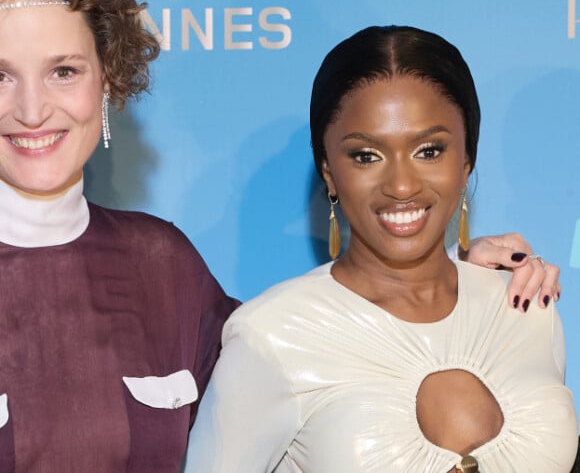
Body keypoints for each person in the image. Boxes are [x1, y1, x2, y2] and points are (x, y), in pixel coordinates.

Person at [186, 25, 578, 472]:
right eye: (366, 156)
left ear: (466, 160)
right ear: (328, 171)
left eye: (429, 150)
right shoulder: (272, 335)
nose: (402, 185)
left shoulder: (525, 308)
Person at [0, 0, 238, 472]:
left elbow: (310, 374)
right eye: (0, 76)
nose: (33, 111)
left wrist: (459, 284)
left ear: (107, 78)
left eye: (64, 71)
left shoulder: (163, 261)